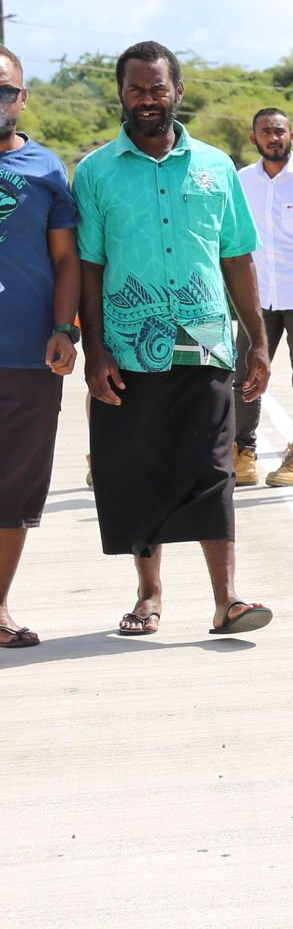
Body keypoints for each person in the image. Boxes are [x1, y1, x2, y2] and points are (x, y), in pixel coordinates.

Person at [74, 41, 274, 636]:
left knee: (213, 466)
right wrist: (95, 349)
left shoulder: (215, 167)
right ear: (121, 95)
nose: (147, 99)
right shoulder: (95, 171)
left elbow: (237, 258)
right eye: (136, 88)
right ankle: (148, 595)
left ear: (177, 91)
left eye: (157, 87)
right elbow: (89, 265)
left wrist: (257, 343)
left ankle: (228, 600)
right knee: (139, 467)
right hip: (129, 339)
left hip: (204, 336)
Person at [0, 45, 80, 650]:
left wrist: (66, 329)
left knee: (16, 488)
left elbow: (65, 259)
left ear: (21, 98)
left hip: (28, 356)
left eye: (5, 90)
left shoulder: (47, 170)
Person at [233, 107, 293, 487]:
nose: (274, 137)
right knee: (245, 374)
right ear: (253, 138)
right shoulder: (241, 181)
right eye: (266, 131)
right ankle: (244, 452)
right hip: (256, 299)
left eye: (280, 131)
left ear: (292, 136)